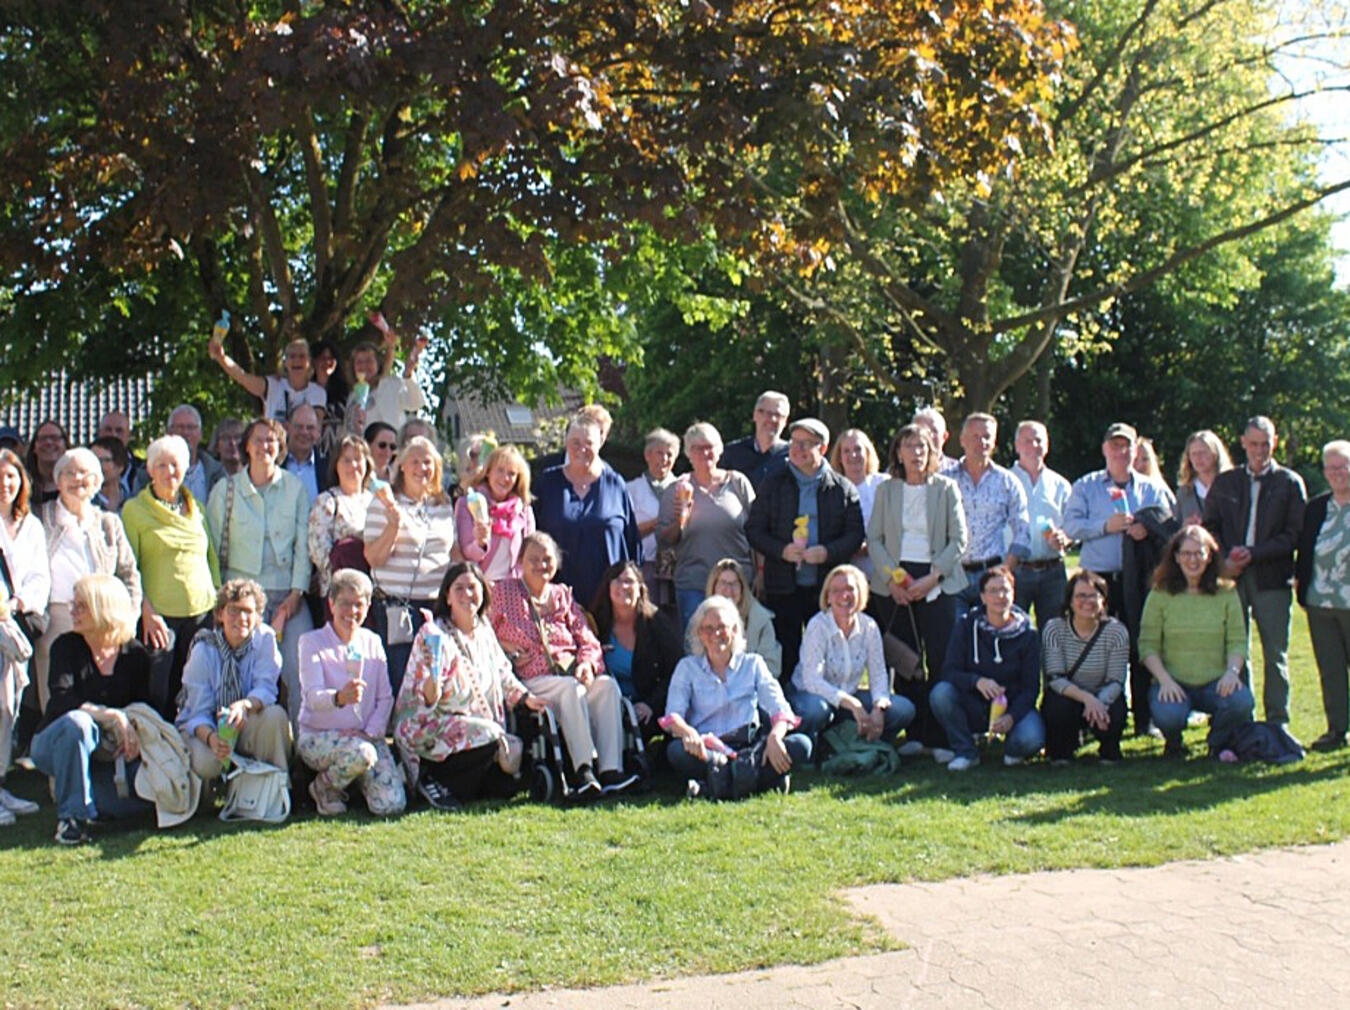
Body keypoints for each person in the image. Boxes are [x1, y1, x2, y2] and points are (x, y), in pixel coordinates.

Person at [490, 532, 637, 797]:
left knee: (606, 686)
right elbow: (482, 633)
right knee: (571, 689)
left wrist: (587, 665)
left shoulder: (562, 595)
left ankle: (611, 771)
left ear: (556, 563)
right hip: (532, 678)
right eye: (533, 559)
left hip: (570, 673)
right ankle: (583, 770)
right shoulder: (502, 592)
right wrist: (503, 647)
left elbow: (587, 638)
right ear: (521, 561)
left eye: (547, 559)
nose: (541, 565)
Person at [394, 562, 547, 809]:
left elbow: (503, 673)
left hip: (478, 731)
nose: (467, 594)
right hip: (429, 729)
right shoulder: (434, 635)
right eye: (459, 588)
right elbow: (426, 699)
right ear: (447, 596)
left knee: (506, 784)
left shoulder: (484, 630)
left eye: (472, 588)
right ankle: (431, 777)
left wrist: (525, 697)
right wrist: (434, 675)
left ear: (484, 593)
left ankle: (464, 786)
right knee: (490, 734)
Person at [1063, 422, 1175, 732]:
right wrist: (1105, 526)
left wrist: (1147, 529)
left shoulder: (1151, 488)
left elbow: (1168, 527)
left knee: (1140, 644)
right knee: (1095, 646)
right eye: (1114, 445)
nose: (1120, 451)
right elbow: (1070, 526)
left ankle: (1143, 718)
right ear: (1104, 449)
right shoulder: (1086, 486)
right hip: (1097, 580)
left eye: (1126, 445)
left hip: (1139, 579)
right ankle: (1095, 717)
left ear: (1135, 450)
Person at [866, 424, 968, 750]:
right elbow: (874, 539)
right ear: (898, 453)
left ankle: (941, 737)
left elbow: (959, 539)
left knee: (940, 658)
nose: (917, 452)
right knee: (906, 661)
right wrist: (892, 579)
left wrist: (933, 577)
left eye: (923, 446)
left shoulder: (946, 488)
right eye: (909, 446)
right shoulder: (886, 490)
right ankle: (915, 734)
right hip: (895, 582)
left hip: (937, 579)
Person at [29, 575, 152, 845]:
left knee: (132, 804)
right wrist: (109, 714)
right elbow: (61, 701)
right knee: (79, 723)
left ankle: (87, 802)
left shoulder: (135, 654)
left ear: (103, 608)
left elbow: (142, 706)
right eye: (73, 605)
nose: (72, 611)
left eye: (81, 606)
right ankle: (71, 820)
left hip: (111, 749)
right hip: (57, 740)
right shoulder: (65, 646)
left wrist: (130, 731)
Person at [207, 418, 313, 720]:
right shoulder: (226, 490)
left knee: (301, 669)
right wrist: (221, 601)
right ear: (246, 446)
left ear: (280, 447)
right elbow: (211, 548)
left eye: (271, 440)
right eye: (257, 439)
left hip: (287, 596)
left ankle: (302, 742)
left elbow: (303, 545)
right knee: (237, 674)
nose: (264, 446)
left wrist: (296, 593)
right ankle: (230, 738)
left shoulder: (295, 488)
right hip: (240, 598)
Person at [1202, 416, 1306, 726]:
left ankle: (1277, 722)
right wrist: (1226, 558)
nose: (1259, 450)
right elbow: (1210, 527)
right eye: (1254, 444)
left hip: (1272, 578)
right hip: (1232, 577)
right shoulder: (1226, 482)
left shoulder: (1289, 483)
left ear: (1275, 443)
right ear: (1243, 443)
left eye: (1265, 444)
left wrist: (1255, 553)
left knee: (1275, 654)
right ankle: (1241, 718)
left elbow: (1294, 535)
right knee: (1236, 651)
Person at [746, 417, 864, 684]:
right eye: (794, 442)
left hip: (825, 589)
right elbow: (753, 530)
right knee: (786, 656)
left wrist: (828, 552)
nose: (797, 449)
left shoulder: (842, 488)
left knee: (825, 658)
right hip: (783, 585)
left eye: (805, 444)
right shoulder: (773, 483)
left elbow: (855, 535)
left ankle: (825, 706)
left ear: (822, 448)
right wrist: (781, 550)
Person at [663, 595, 811, 796]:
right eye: (708, 629)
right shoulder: (687, 667)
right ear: (699, 634)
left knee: (802, 745)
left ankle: (713, 785)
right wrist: (688, 733)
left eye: (722, 627)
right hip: (707, 749)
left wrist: (775, 736)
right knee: (676, 751)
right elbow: (673, 715)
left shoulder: (753, 663)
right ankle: (756, 781)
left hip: (749, 747)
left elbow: (779, 707)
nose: (716, 634)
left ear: (734, 630)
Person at [36, 448, 142, 713]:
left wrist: (130, 616)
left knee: (100, 692)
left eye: (84, 473)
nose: (77, 479)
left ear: (96, 481)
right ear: (58, 480)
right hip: (57, 618)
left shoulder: (108, 523)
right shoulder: (41, 518)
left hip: (103, 619)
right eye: (69, 472)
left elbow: (129, 572)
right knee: (58, 699)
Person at [121, 435, 220, 709]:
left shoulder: (197, 509)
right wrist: (146, 610)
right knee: (159, 690)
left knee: (197, 689)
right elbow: (128, 568)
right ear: (150, 470)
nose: (169, 472)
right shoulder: (134, 510)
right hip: (158, 616)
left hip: (201, 613)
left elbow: (210, 559)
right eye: (161, 465)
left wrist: (218, 604)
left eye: (175, 464)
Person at [296, 569, 405, 816]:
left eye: (359, 604)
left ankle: (355, 783)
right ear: (331, 604)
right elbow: (312, 697)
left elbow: (385, 698)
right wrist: (339, 698)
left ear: (368, 607)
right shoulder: (311, 642)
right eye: (345, 603)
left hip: (366, 737)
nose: (352, 611)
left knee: (391, 805)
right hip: (320, 736)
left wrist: (370, 732)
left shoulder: (372, 641)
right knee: (362, 754)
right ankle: (324, 788)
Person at [1139, 525, 1253, 758]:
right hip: (1173, 682)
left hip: (1216, 683)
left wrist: (1232, 673)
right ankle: (1174, 743)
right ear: (1176, 557)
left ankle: (1218, 743)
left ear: (1209, 556)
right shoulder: (1160, 594)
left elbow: (1237, 640)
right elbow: (1147, 645)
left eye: (1199, 553)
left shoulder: (1226, 593)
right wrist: (1165, 681)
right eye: (1186, 554)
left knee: (1241, 702)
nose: (1193, 560)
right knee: (1169, 715)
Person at [363, 435, 457, 695]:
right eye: (414, 461)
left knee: (433, 681)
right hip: (397, 606)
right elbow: (373, 558)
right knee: (401, 681)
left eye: (427, 462)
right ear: (402, 466)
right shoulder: (384, 502)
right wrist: (393, 526)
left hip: (435, 607)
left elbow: (452, 552)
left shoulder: (443, 504)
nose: (421, 468)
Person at [929, 566, 1045, 771]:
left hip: (1012, 704)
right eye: (992, 591)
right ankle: (966, 751)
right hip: (973, 702)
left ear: (1013, 593)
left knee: (1030, 739)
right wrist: (977, 681)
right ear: (982, 597)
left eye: (1005, 590)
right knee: (941, 693)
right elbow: (950, 671)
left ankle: (1011, 748)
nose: (1000, 596)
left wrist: (1012, 717)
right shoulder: (966, 626)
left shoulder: (1029, 635)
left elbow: (1031, 688)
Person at [177, 579, 293, 781]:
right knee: (206, 762)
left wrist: (245, 706)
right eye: (233, 611)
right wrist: (212, 738)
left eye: (248, 611)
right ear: (220, 614)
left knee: (276, 716)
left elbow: (266, 688)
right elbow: (197, 712)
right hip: (208, 728)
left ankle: (275, 786)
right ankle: (209, 793)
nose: (241, 618)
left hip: (247, 719)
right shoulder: (203, 649)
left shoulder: (265, 639)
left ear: (258, 616)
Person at [791, 564, 915, 746]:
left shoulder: (869, 626)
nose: (844, 596)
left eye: (850, 589)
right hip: (812, 696)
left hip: (850, 696)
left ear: (861, 593)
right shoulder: (818, 626)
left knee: (903, 709)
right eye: (836, 591)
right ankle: (818, 747)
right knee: (817, 711)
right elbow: (812, 681)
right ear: (827, 597)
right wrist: (852, 704)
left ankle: (867, 741)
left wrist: (878, 707)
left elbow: (878, 674)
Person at [532, 415, 640, 609]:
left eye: (589, 443)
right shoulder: (547, 483)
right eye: (575, 442)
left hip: (610, 601)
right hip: (556, 602)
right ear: (565, 443)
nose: (582, 449)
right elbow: (531, 539)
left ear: (600, 444)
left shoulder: (615, 484)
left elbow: (632, 544)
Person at [657, 422, 756, 631]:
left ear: (719, 450)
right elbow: (664, 540)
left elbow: (757, 531)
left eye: (709, 447)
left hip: (736, 584)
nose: (704, 453)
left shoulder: (738, 483)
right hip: (694, 584)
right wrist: (679, 519)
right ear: (688, 454)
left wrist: (761, 574)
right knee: (696, 644)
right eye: (697, 448)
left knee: (737, 642)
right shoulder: (677, 490)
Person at [1040, 570, 1130, 764]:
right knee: (1057, 707)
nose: (1087, 601)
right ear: (1070, 601)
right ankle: (1062, 752)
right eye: (1080, 596)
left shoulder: (1116, 631)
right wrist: (1087, 699)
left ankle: (1109, 749)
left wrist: (1098, 703)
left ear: (1103, 600)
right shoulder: (1054, 629)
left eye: (1093, 596)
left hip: (1103, 695)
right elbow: (1055, 678)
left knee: (1115, 709)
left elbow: (1116, 681)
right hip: (1068, 695)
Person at [1295, 440, 1350, 751]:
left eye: (1343, 466)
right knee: (1331, 671)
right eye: (1331, 468)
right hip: (1320, 603)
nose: (1337, 473)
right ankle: (1337, 730)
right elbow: (1305, 550)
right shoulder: (1316, 508)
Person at [591, 561, 683, 743]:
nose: (623, 586)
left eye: (629, 581)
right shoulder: (597, 623)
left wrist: (651, 704)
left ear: (640, 588)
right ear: (608, 587)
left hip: (646, 706)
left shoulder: (656, 622)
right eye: (617, 580)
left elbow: (678, 670)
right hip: (606, 705)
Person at [950, 413, 1031, 611]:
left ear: (994, 442)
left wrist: (1006, 569)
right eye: (975, 436)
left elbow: (1022, 529)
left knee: (990, 629)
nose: (982, 442)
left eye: (987, 437)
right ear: (962, 440)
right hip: (953, 575)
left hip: (992, 575)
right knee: (955, 630)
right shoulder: (945, 480)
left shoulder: (1007, 482)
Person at [1, 447, 52, 755]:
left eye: (10, 476)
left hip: (18, 621)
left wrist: (16, 603)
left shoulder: (31, 526)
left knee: (9, 701)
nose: (4, 483)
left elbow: (40, 577)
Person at [1010, 420, 1073, 626]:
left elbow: (1073, 525)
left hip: (1052, 572)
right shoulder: (1005, 481)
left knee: (1054, 633)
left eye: (1039, 440)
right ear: (1017, 446)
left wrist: (1065, 538)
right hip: (1015, 569)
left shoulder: (1061, 485)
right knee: (1013, 631)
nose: (1034, 446)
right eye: (1027, 441)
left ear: (1047, 445)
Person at [308, 435, 386, 599]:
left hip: (372, 591)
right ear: (336, 465)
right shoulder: (327, 501)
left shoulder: (375, 502)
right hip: (338, 593)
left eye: (358, 459)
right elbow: (318, 551)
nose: (353, 466)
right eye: (346, 460)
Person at [455, 444, 535, 584]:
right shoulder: (468, 504)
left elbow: (528, 554)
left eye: (511, 474)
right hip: (479, 587)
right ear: (488, 472)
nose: (505, 478)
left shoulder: (523, 510)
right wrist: (480, 543)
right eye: (500, 470)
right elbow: (465, 554)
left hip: (512, 588)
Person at [210, 328, 329, 421]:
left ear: (310, 362)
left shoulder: (318, 392)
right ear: (285, 362)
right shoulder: (273, 385)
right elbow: (243, 377)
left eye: (302, 356)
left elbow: (315, 426)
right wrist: (221, 357)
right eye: (292, 356)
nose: (297, 360)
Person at [345, 311, 429, 435]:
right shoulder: (353, 398)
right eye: (359, 362)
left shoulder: (392, 384)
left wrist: (408, 374)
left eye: (369, 361)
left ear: (378, 364)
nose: (364, 366)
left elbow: (415, 403)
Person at [626, 428, 680, 610]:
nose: (664, 459)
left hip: (677, 565)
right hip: (645, 565)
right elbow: (627, 532)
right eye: (659, 453)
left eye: (669, 454)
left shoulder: (683, 488)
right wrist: (660, 522)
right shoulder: (631, 489)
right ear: (647, 455)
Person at [706, 558, 783, 680]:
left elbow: (773, 667)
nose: (729, 590)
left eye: (734, 584)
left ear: (743, 589)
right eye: (723, 583)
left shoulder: (761, 619)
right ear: (713, 587)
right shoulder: (700, 620)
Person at [830, 428, 887, 579]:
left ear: (867, 453)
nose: (853, 455)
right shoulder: (831, 491)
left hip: (884, 575)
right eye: (846, 451)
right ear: (839, 457)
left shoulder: (884, 484)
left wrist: (870, 547)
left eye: (857, 449)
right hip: (846, 577)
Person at [141, 405, 226, 505]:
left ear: (200, 434)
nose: (185, 432)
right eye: (179, 427)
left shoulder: (217, 473)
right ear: (168, 433)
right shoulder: (150, 473)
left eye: (191, 427)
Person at [719, 390, 791, 491]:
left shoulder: (792, 455)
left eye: (778, 415)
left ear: (785, 421)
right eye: (767, 413)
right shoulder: (732, 453)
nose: (772, 419)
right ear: (755, 415)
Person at [1175, 429, 1233, 526]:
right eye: (1193, 454)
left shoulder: (1231, 488)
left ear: (1215, 454)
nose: (1198, 458)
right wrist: (1185, 527)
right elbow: (1176, 528)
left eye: (1202, 453)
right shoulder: (1184, 494)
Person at [282, 403, 329, 507]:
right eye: (298, 426)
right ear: (287, 428)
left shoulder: (327, 468)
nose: (304, 432)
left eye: (310, 428)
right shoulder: (276, 463)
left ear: (318, 432)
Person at [26, 418, 69, 504]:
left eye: (55, 438)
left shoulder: (76, 484)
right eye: (42, 438)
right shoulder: (24, 486)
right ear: (34, 448)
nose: (49, 442)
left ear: (65, 446)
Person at [912, 406, 959, 473]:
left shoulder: (960, 472)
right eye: (921, 430)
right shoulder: (900, 473)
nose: (928, 436)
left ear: (945, 437)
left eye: (934, 431)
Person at [90, 436, 131, 512]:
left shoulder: (133, 499)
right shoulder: (84, 503)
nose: (96, 465)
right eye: (92, 460)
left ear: (120, 465)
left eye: (103, 460)